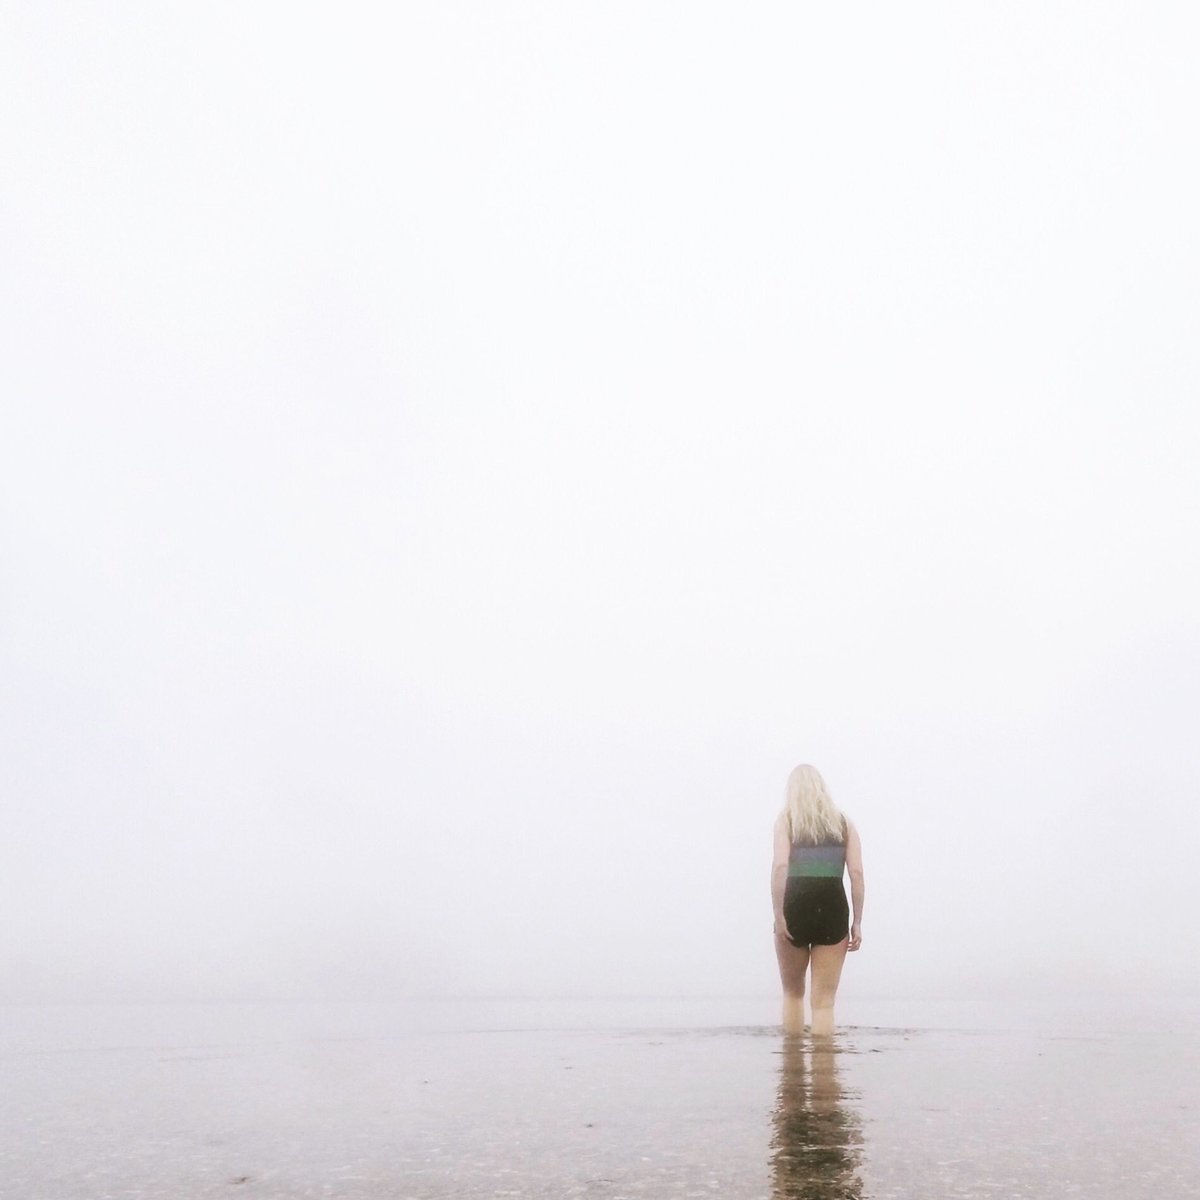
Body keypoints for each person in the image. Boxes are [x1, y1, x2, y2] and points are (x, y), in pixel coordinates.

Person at [771, 764, 864, 1035]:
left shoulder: (786, 821)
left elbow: (779, 867)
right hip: (832, 908)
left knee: (793, 994)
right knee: (824, 1003)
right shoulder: (844, 825)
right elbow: (856, 873)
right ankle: (826, 1073)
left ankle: (791, 1069)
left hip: (795, 907)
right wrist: (857, 922)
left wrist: (779, 916)